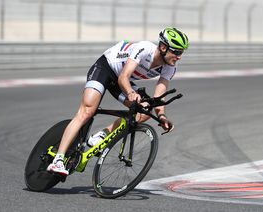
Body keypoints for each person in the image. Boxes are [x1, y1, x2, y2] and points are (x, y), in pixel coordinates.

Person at [47, 27, 189, 176]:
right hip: (106, 69)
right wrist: (130, 92)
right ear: (163, 47)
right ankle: (58, 160)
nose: (179, 56)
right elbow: (123, 77)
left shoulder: (170, 67)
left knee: (146, 110)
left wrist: (162, 116)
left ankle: (101, 135)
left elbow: (159, 96)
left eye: (181, 53)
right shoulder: (144, 49)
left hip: (121, 80)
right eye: (177, 52)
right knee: (87, 111)